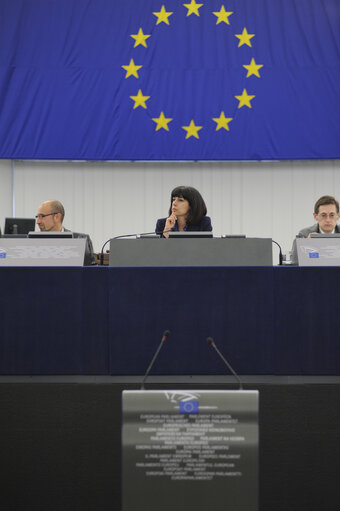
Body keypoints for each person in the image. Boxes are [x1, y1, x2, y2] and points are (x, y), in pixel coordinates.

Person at [35, 200, 96, 265]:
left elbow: (90, 270)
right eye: (37, 217)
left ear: (57, 217)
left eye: (42, 216)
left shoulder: (81, 240)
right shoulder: (33, 242)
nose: (37, 222)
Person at [291, 195, 340, 264]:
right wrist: (306, 244)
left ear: (338, 216)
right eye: (323, 215)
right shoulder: (304, 234)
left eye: (332, 215)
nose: (328, 220)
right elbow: (294, 263)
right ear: (315, 216)